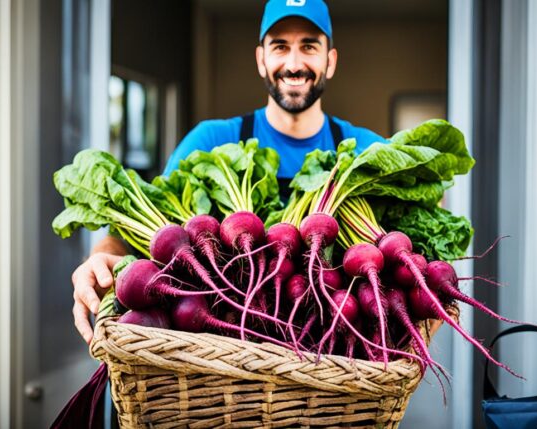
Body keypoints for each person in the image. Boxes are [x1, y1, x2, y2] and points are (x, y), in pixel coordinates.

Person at [71, 0, 386, 343]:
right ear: (261, 60)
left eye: (309, 46)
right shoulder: (212, 140)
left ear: (331, 60)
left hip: (327, 333)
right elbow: (151, 232)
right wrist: (103, 256)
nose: (294, 63)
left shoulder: (367, 150)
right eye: (280, 47)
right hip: (221, 341)